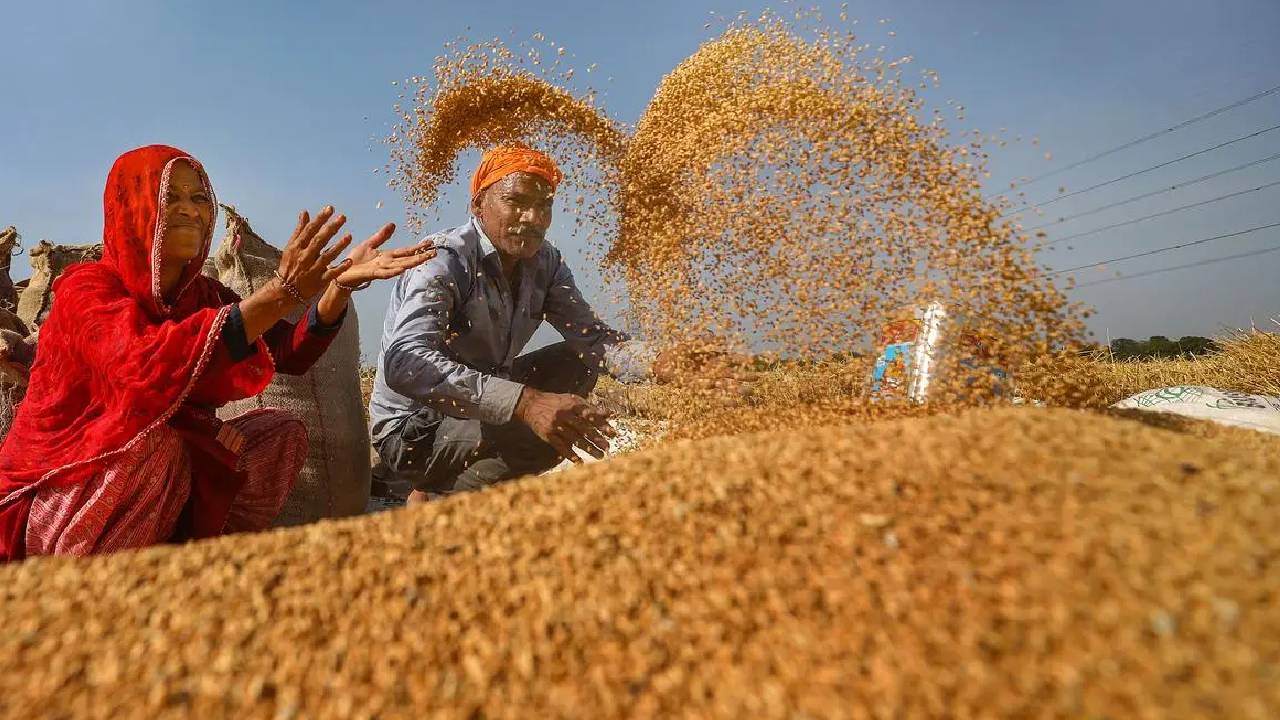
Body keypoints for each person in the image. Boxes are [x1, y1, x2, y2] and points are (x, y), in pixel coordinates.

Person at [0, 144, 434, 560]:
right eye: (171, 197)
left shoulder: (202, 295)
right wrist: (279, 293)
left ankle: (205, 563)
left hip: (154, 473)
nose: (191, 208)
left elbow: (286, 351)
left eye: (199, 197)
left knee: (277, 434)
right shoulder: (87, 289)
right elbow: (142, 368)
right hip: (58, 491)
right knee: (156, 445)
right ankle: (104, 590)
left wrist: (337, 286)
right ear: (134, 208)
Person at [371, 146, 750, 504]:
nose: (533, 219)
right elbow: (407, 363)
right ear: (478, 205)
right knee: (536, 420)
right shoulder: (443, 260)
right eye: (516, 201)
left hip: (477, 409)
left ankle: (455, 491)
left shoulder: (544, 263)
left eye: (544, 206)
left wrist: (662, 362)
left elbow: (594, 339)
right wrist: (526, 403)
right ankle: (437, 494)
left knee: (576, 360)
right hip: (411, 433)